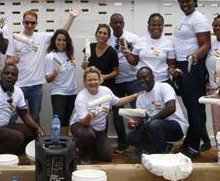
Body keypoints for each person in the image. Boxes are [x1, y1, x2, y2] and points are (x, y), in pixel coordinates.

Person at [6, 7, 80, 123]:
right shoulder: (15, 38)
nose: (30, 25)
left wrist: (71, 17)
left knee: (35, 117)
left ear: (36, 24)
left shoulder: (41, 37)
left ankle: (34, 141)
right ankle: (11, 140)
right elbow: (7, 61)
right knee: (13, 115)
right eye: (27, 22)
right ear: (23, 23)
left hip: (36, 85)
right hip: (20, 85)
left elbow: (60, 33)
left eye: (33, 23)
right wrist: (14, 59)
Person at [69, 67, 138, 164]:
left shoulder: (105, 91)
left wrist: (134, 96)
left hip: (99, 129)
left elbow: (118, 102)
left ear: (100, 80)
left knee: (107, 156)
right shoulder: (81, 97)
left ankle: (92, 147)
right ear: (85, 82)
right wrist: (90, 115)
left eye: (95, 79)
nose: (92, 82)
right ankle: (84, 155)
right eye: (89, 80)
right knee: (87, 134)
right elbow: (84, 122)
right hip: (81, 126)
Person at [172, 0, 211, 159]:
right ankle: (194, 140)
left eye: (188, 1)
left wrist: (194, 56)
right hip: (183, 65)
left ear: (195, 1)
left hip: (193, 66)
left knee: (195, 108)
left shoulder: (199, 18)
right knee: (191, 106)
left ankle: (194, 147)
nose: (185, 4)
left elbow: (206, 44)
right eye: (182, 2)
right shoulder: (185, 19)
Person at [125, 67, 188, 154]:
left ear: (152, 77)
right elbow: (140, 118)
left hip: (176, 127)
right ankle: (164, 148)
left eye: (144, 77)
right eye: (139, 79)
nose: (141, 81)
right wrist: (134, 123)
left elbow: (171, 108)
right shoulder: (140, 98)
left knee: (154, 124)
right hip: (154, 127)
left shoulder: (164, 87)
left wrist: (151, 120)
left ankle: (160, 157)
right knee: (131, 137)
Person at [108, 13, 140, 153]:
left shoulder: (133, 38)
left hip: (133, 79)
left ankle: (139, 142)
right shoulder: (107, 39)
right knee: (117, 113)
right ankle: (122, 142)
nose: (118, 25)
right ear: (111, 24)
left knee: (137, 111)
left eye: (120, 22)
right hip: (116, 82)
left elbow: (138, 58)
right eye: (115, 22)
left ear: (124, 23)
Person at [124, 13, 176, 84]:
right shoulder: (140, 41)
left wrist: (172, 70)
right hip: (143, 82)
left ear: (163, 26)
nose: (156, 27)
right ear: (148, 26)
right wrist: (127, 54)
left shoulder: (168, 43)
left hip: (162, 81)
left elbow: (171, 64)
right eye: (153, 25)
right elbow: (134, 62)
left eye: (159, 25)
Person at [44, 29, 77, 134]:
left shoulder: (70, 54)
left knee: (66, 120)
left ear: (67, 42)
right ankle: (56, 143)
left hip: (72, 92)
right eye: (59, 40)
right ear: (54, 40)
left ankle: (64, 143)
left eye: (64, 40)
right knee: (58, 120)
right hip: (58, 92)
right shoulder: (50, 57)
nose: (61, 42)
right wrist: (55, 72)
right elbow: (48, 79)